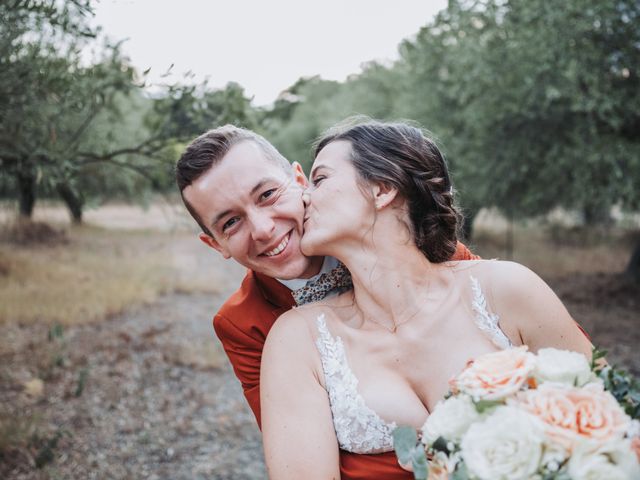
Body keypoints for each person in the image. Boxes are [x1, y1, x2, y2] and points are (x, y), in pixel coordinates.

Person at [260, 120, 593, 479]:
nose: (303, 197)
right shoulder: (298, 338)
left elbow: (609, 423)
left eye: (320, 179)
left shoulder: (508, 288)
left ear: (383, 188)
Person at [175, 125, 478, 480]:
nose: (262, 229)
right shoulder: (242, 323)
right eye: (230, 223)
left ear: (301, 180)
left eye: (268, 194)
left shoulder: (419, 252)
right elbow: (298, 449)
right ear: (216, 246)